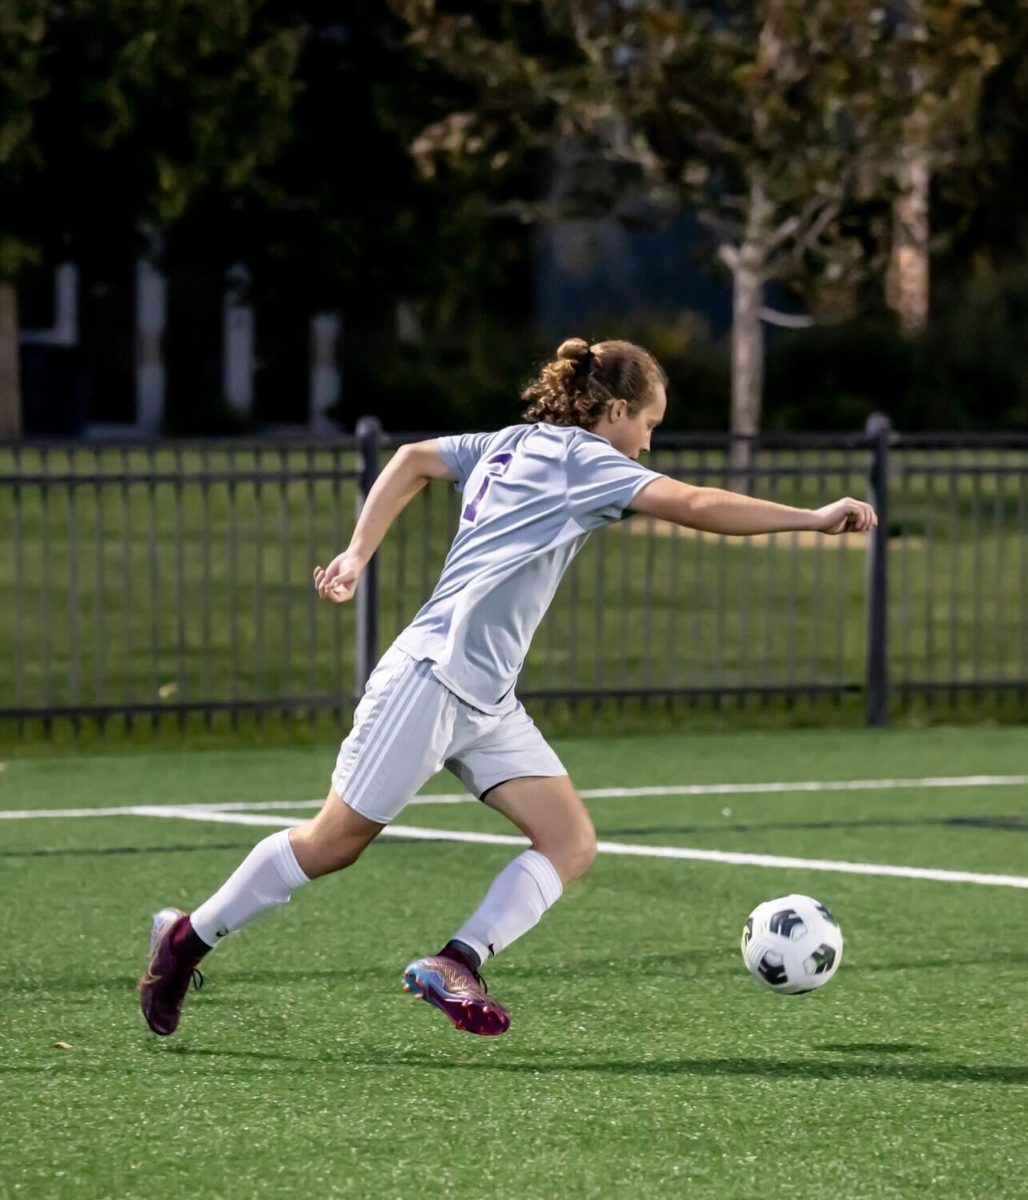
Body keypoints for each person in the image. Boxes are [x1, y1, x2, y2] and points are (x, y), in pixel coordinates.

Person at [139, 337, 876, 1038]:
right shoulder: (586, 459)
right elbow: (696, 506)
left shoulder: (508, 442)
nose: (649, 444)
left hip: (486, 697)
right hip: (432, 679)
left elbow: (410, 459)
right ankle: (186, 938)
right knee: (332, 843)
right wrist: (810, 518)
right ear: (614, 411)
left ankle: (456, 964)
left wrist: (359, 552)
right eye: (649, 424)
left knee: (569, 841)